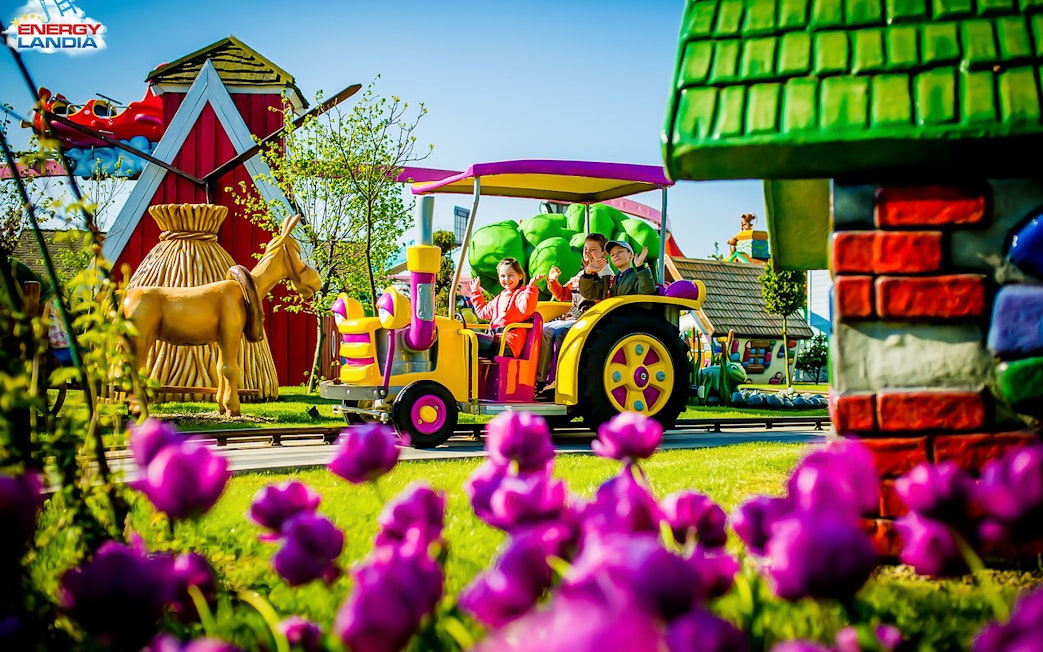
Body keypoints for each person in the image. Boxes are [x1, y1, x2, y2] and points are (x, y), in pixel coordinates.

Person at [536, 233, 609, 395]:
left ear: (604, 253)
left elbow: (600, 297)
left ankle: (560, 378)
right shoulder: (580, 274)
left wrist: (589, 274)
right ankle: (540, 380)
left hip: (588, 319)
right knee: (542, 329)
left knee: (556, 332)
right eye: (585, 249)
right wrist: (553, 281)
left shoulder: (605, 274)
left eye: (593, 249)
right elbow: (563, 295)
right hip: (573, 316)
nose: (588, 253)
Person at [468, 257, 543, 358]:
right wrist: (475, 292)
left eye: (510, 275)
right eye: (502, 276)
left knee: (468, 341)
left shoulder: (521, 294)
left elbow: (527, 309)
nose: (506, 279)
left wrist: (532, 287)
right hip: (495, 339)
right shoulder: (500, 297)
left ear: (520, 276)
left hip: (508, 343)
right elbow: (483, 313)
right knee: (463, 339)